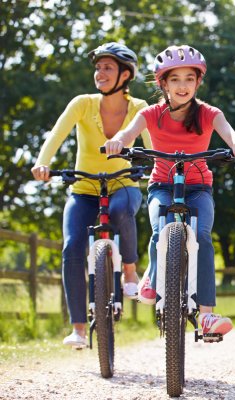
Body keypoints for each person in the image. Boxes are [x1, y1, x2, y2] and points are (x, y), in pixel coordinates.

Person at [104, 45, 235, 338]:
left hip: (199, 187)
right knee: (160, 227)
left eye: (189, 78)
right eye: (175, 79)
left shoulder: (210, 114)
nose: (182, 85)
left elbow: (230, 132)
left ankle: (207, 315)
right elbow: (128, 133)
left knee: (201, 237)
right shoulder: (151, 114)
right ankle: (153, 274)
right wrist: (118, 141)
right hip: (162, 184)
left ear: (198, 82)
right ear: (163, 83)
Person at [30, 42, 152, 349]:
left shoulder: (139, 109)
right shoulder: (82, 103)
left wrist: (156, 169)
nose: (100, 73)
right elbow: (56, 135)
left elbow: (152, 149)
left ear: (126, 74)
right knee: (72, 246)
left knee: (123, 211)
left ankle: (129, 270)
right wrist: (42, 163)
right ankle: (79, 329)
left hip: (123, 184)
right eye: (98, 67)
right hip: (84, 188)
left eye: (108, 67)